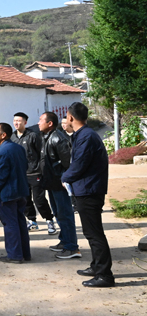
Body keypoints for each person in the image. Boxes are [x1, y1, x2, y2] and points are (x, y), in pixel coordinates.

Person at [62, 102, 115, 288]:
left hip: (89, 190)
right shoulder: (82, 135)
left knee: (94, 234)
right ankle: (96, 266)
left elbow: (79, 164)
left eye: (66, 117)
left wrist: (65, 177)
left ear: (70, 117)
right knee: (90, 232)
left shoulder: (86, 136)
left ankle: (104, 275)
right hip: (86, 189)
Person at [37, 112, 81, 260]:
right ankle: (64, 241)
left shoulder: (58, 139)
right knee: (58, 214)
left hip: (59, 184)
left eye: (41, 120)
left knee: (65, 215)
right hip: (52, 183)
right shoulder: (47, 137)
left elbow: (68, 163)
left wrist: (65, 180)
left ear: (50, 123)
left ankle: (72, 247)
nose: (38, 123)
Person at [0, 122, 31, 263]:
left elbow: (2, 175)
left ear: (3, 135)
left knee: (10, 224)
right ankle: (25, 253)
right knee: (20, 222)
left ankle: (15, 255)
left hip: (8, 193)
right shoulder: (18, 148)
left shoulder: (2, 151)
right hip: (21, 190)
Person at [11, 112, 56, 234]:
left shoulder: (33, 136)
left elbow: (41, 154)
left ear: (25, 122)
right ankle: (32, 221)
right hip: (21, 174)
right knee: (25, 199)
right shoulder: (12, 137)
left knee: (39, 199)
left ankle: (49, 220)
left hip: (35, 173)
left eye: (19, 121)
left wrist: (41, 170)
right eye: (15, 120)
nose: (16, 123)